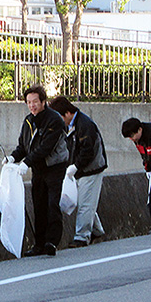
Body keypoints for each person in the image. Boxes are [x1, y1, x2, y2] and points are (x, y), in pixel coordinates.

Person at [4, 84, 69, 257]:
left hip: (55, 167)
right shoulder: (28, 121)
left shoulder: (54, 119)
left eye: (35, 102)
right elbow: (24, 146)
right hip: (38, 169)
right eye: (28, 102)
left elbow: (46, 147)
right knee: (38, 204)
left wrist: (26, 162)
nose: (32, 105)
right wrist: (12, 158)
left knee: (52, 203)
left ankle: (51, 242)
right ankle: (39, 244)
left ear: (43, 101)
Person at [49, 96, 107, 248]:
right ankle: (97, 231)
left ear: (67, 113)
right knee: (84, 201)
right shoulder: (70, 126)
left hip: (91, 169)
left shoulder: (84, 124)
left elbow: (88, 150)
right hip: (80, 170)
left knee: (85, 204)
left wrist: (75, 166)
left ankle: (82, 236)